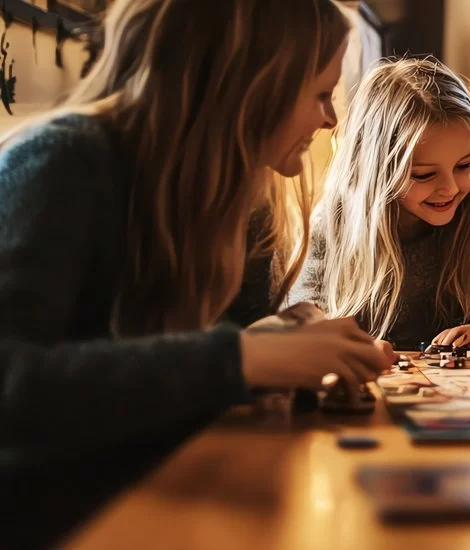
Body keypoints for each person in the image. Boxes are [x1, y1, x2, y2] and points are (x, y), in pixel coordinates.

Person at [0, 0, 391, 544]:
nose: (331, 119)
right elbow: (13, 385)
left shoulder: (214, 199)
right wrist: (244, 357)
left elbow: (140, 375)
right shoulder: (62, 161)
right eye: (321, 94)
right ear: (250, 86)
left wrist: (273, 344)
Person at [289, 58, 470, 352]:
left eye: (464, 166)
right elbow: (302, 311)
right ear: (377, 169)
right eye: (424, 174)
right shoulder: (334, 223)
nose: (451, 188)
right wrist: (326, 333)